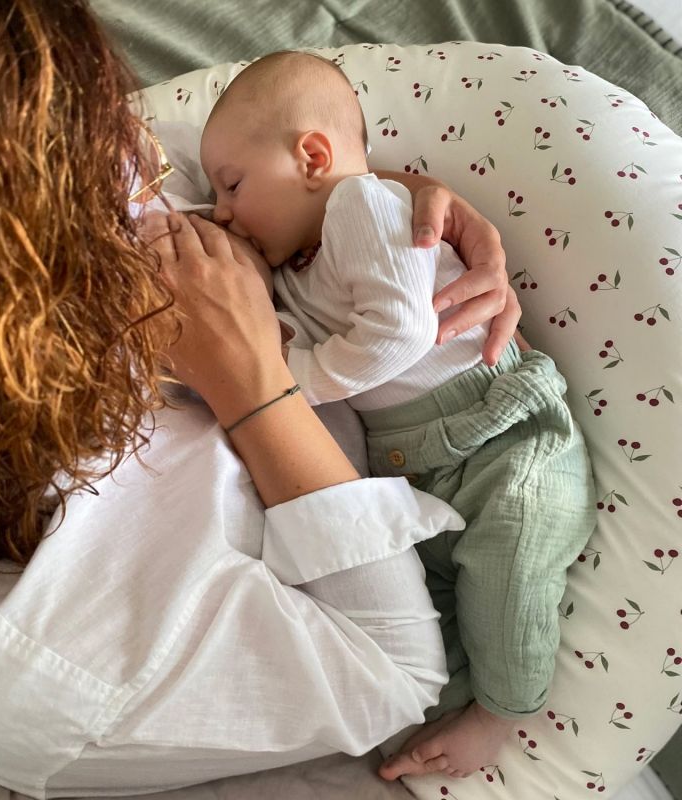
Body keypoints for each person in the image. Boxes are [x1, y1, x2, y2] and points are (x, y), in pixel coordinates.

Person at [0, 2, 521, 797]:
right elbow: (393, 672)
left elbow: (263, 149)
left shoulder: (104, 174)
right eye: (96, 177)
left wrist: (393, 209)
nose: (138, 163)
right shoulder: (28, 661)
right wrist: (255, 385)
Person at [199, 49, 597, 780]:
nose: (223, 208)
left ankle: (504, 711)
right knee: (438, 601)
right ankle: (438, 711)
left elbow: (400, 333)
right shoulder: (299, 264)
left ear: (312, 157)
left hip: (502, 433)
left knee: (511, 556)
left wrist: (293, 378)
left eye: (233, 184)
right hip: (418, 462)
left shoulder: (361, 206)